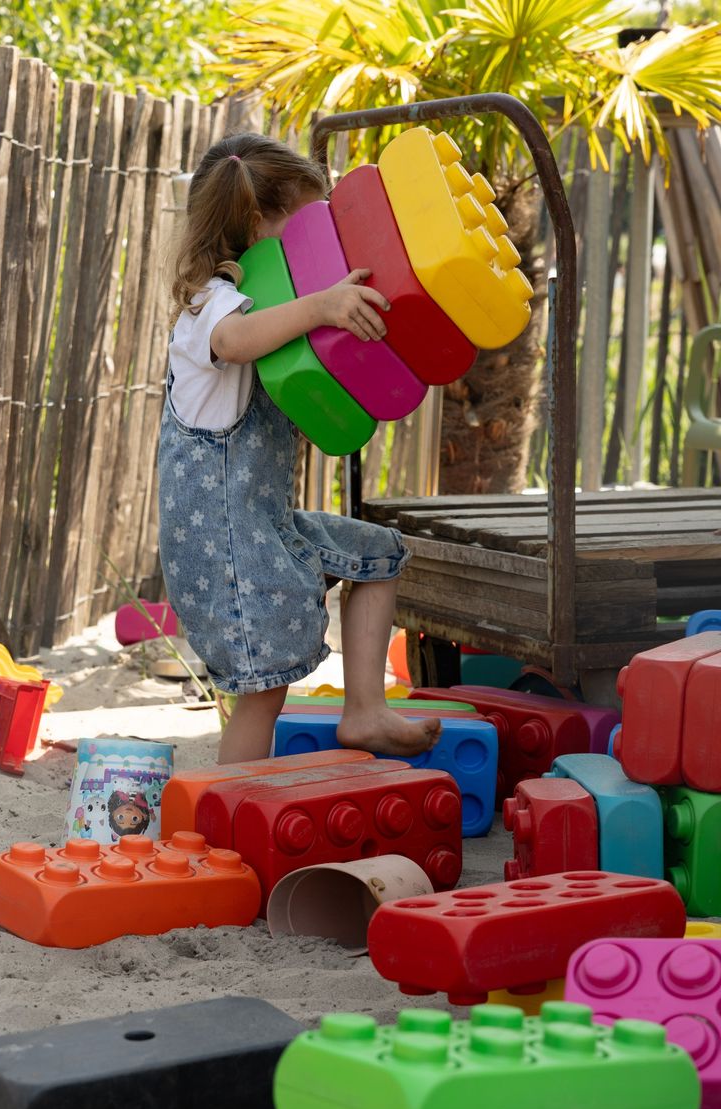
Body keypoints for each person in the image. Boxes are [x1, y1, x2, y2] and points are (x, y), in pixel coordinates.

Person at [157, 132, 442, 764]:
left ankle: (365, 710)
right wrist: (322, 304)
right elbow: (233, 342)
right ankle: (233, 815)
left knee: (379, 554)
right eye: (312, 228)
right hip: (223, 546)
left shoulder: (270, 312)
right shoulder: (212, 306)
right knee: (262, 691)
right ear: (262, 226)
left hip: (264, 530)